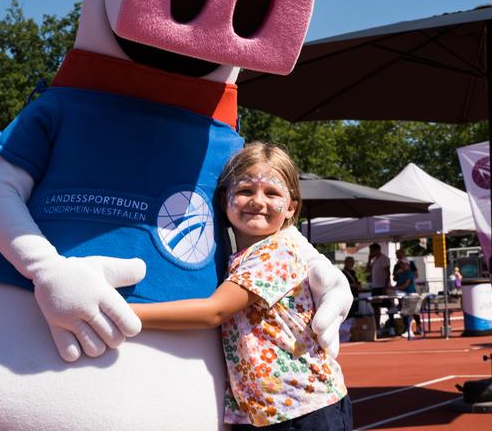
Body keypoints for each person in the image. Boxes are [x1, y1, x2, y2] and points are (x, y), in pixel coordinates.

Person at [132, 143, 351, 429]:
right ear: (224, 200)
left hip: (302, 409)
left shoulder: (275, 252)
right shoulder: (243, 256)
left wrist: (128, 312)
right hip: (269, 412)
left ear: (291, 208)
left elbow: (214, 312)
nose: (258, 201)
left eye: (272, 193)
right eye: (246, 191)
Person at [367, 243, 395, 336]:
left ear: (377, 250)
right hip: (375, 287)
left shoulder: (384, 259)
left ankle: (392, 327)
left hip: (383, 287)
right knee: (375, 307)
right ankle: (378, 328)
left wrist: (385, 287)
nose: (371, 253)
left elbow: (388, 273)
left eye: (372, 251)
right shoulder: (374, 260)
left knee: (389, 307)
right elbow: (367, 270)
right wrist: (369, 259)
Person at [393, 260, 422, 336]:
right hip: (401, 295)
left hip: (409, 295)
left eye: (403, 264)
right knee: (404, 313)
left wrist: (395, 288)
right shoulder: (401, 273)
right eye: (401, 265)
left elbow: (406, 284)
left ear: (407, 265)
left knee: (410, 312)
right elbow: (395, 280)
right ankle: (407, 329)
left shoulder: (409, 273)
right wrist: (397, 274)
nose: (401, 266)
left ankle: (410, 329)